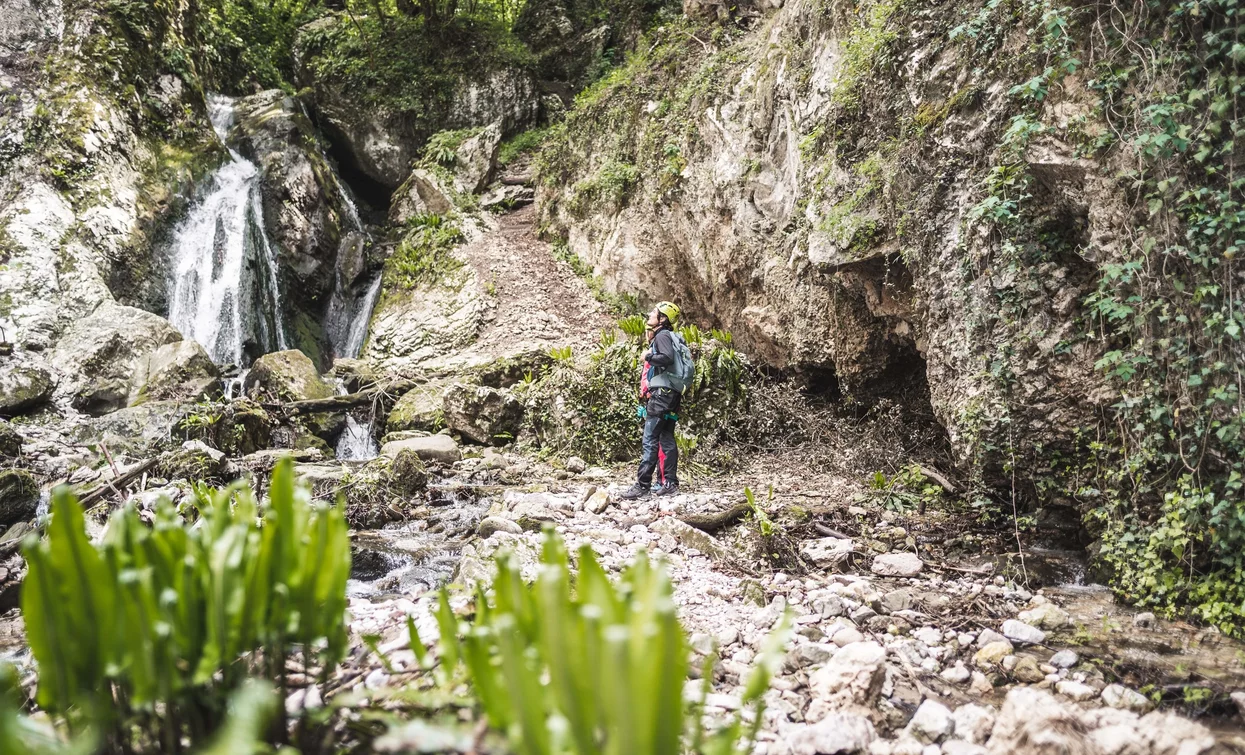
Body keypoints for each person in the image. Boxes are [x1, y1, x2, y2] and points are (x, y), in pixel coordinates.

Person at [620, 301, 685, 499]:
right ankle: (669, 484)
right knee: (666, 437)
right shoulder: (671, 336)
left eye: (654, 312)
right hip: (672, 395)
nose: (650, 314)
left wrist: (648, 357)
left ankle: (642, 486)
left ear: (662, 319)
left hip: (661, 396)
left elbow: (665, 357)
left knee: (650, 439)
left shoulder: (662, 335)